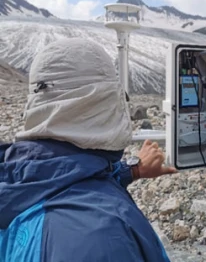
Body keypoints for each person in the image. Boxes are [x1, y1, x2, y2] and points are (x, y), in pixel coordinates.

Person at [0, 38, 177, 262]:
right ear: (103, 103)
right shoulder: (102, 234)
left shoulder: (16, 173)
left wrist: (129, 170)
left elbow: (60, 178)